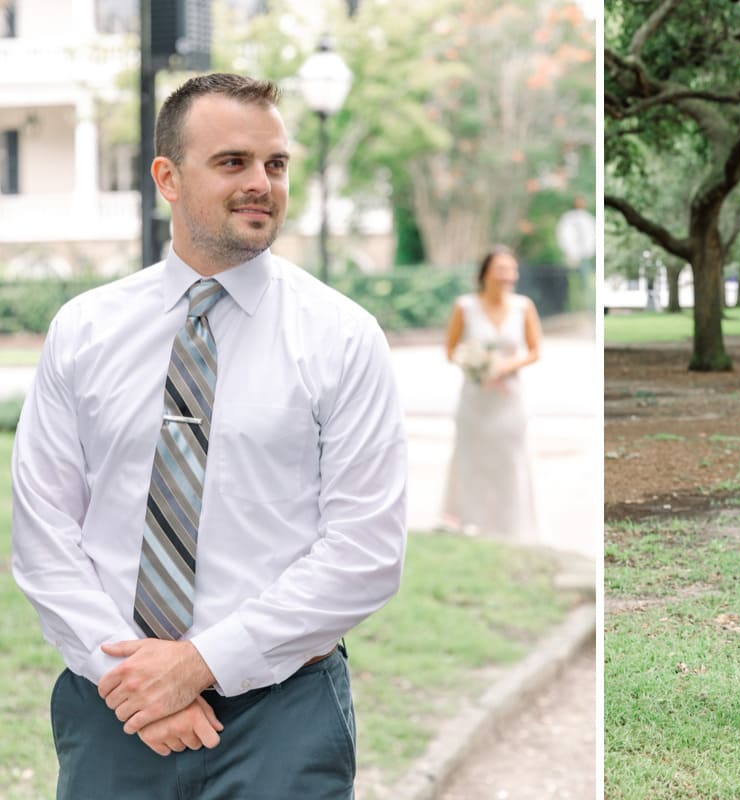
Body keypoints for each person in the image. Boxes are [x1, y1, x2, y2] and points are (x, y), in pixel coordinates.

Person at [11, 73, 408, 798]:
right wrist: (131, 682)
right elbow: (43, 533)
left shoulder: (344, 338)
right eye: (233, 162)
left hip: (282, 717)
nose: (262, 183)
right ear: (167, 176)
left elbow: (366, 551)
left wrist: (197, 665)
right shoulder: (84, 332)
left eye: (276, 164)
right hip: (111, 712)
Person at [441, 246, 541, 541]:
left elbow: (535, 351)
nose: (506, 275)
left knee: (510, 459)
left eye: (511, 269)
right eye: (500, 269)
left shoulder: (524, 306)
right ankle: (472, 522)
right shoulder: (465, 306)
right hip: (475, 400)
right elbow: (450, 350)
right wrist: (478, 367)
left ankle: (511, 524)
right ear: (485, 273)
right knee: (472, 459)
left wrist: (507, 365)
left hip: (510, 399)